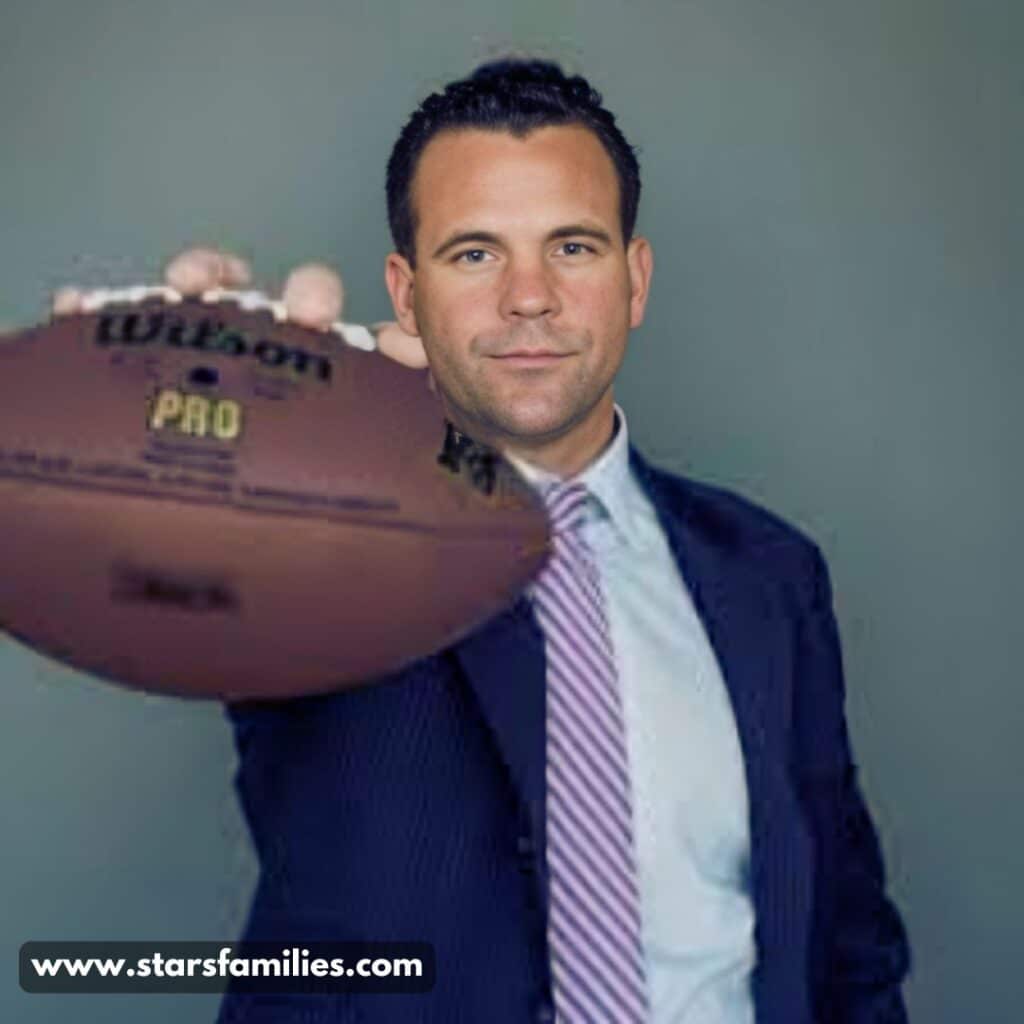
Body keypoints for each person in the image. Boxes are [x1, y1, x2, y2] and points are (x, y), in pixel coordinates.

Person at [56, 58, 912, 1023]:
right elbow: (155, 560)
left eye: (574, 248)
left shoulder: (769, 573)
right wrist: (148, 414)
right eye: (474, 254)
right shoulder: (313, 530)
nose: (529, 297)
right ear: (407, 290)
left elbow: (844, 939)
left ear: (634, 281)